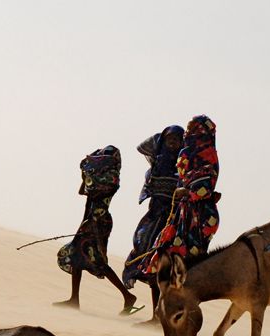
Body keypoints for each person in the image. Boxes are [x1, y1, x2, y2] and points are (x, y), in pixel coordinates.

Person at [56, 145, 142, 314]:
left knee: (98, 261)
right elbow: (83, 192)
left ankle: (128, 296)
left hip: (99, 221)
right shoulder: (97, 179)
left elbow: (95, 193)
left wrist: (89, 177)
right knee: (76, 256)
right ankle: (74, 299)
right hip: (90, 220)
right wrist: (84, 177)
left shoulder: (111, 179)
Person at [139, 115, 221, 277]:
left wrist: (186, 192)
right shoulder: (187, 153)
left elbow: (203, 187)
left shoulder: (206, 155)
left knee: (187, 257)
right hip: (182, 211)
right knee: (165, 250)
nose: (188, 132)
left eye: (192, 129)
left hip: (198, 214)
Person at [124, 124, 185, 320]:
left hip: (172, 221)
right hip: (153, 219)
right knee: (148, 261)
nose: (173, 142)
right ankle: (156, 316)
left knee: (166, 268)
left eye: (177, 139)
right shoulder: (157, 165)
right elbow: (142, 147)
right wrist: (159, 140)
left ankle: (165, 315)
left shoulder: (183, 168)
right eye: (169, 139)